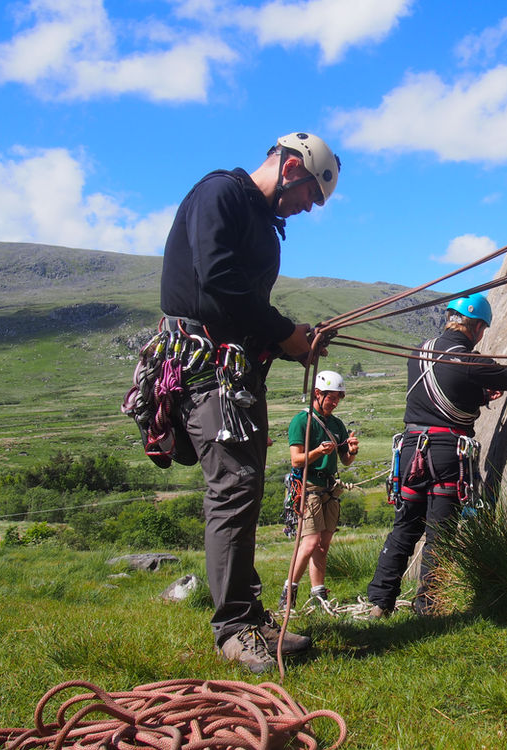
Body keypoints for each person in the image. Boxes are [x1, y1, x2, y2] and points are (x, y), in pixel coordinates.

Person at [159, 132, 341, 673]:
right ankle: (234, 630)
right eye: (311, 193)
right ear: (290, 169)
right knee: (233, 489)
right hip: (207, 370)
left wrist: (291, 343)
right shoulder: (222, 194)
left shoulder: (261, 223)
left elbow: (242, 311)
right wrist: (285, 331)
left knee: (244, 490)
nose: (309, 206)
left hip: (233, 373)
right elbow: (215, 280)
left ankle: (251, 616)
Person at [366, 293, 507, 616]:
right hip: (447, 454)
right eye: (482, 329)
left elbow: (445, 392)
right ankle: (428, 605)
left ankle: (379, 602)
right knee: (439, 533)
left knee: (405, 527)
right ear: (477, 328)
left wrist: (479, 392)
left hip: (412, 450)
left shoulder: (418, 354)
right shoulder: (472, 362)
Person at [278, 370, 359, 614]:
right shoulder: (301, 422)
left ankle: (318, 593)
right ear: (317, 394)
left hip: (329, 488)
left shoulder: (337, 424)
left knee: (323, 544)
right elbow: (296, 460)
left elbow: (345, 460)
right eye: (331, 397)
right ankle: (289, 590)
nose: (335, 403)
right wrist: (318, 453)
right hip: (309, 486)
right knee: (310, 541)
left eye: (338, 398)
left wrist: (352, 450)